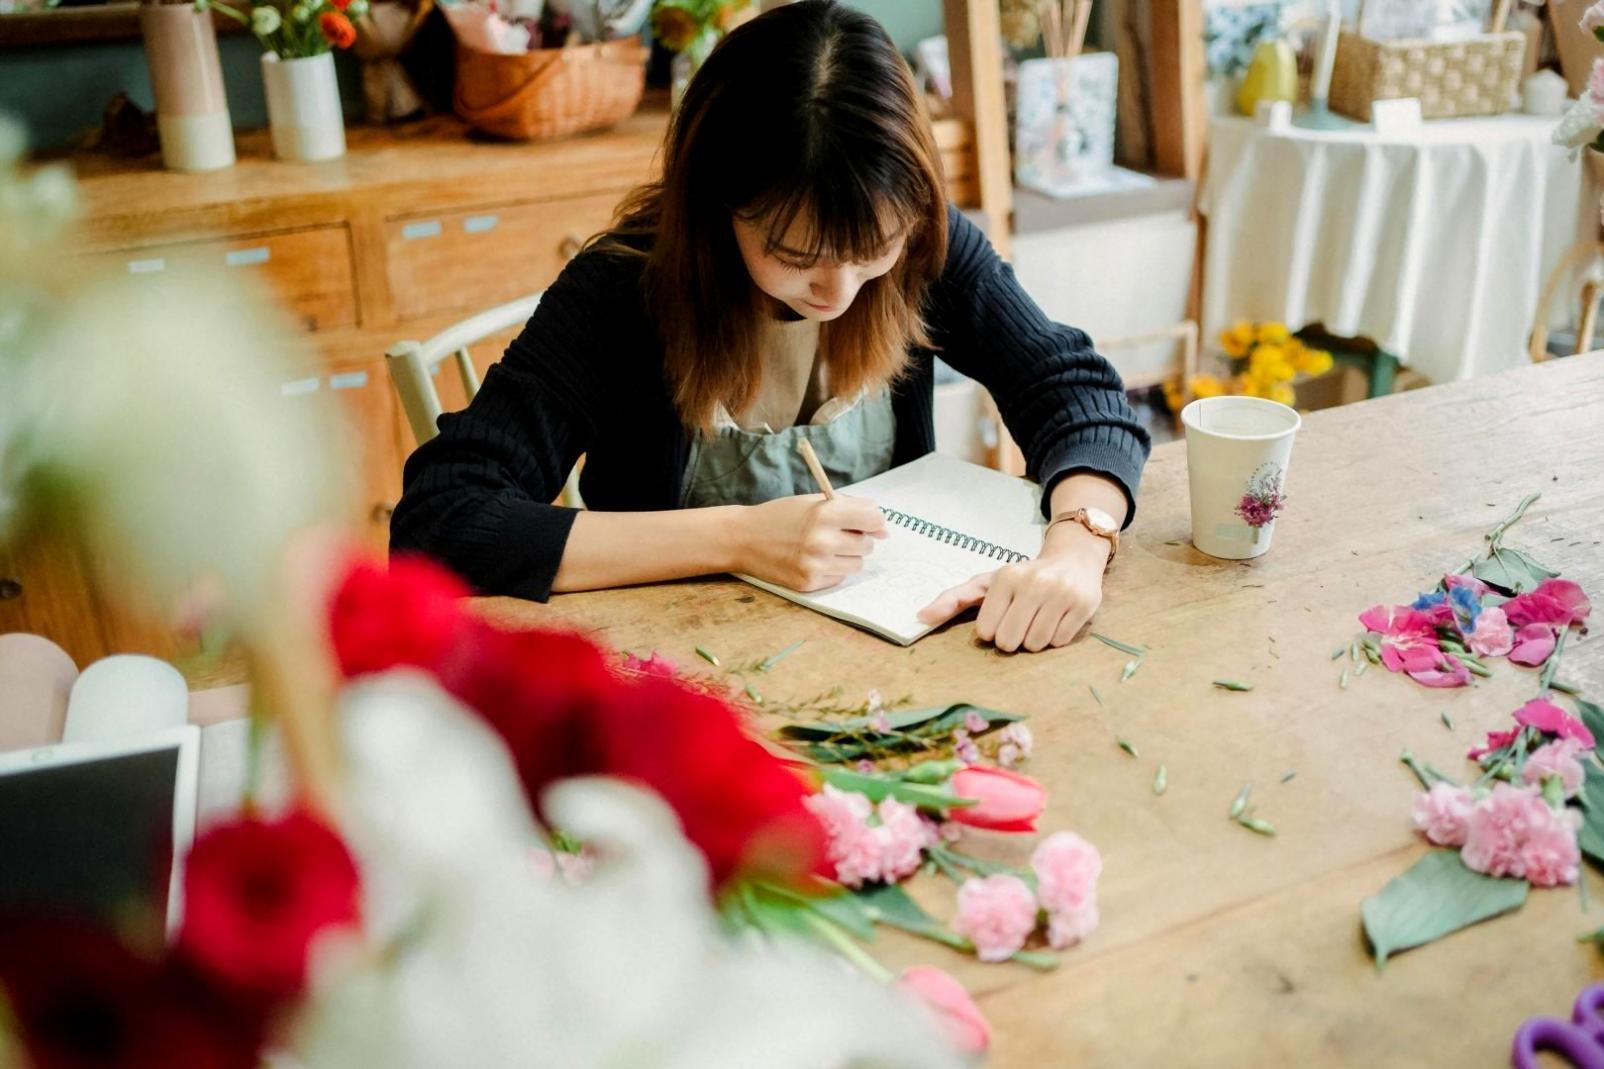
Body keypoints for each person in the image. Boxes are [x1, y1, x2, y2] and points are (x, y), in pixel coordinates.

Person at [390, 0, 1150, 653]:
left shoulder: (927, 249)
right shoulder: (620, 292)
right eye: (797, 256)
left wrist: (1079, 545)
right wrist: (740, 537)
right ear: (718, 207)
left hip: (888, 655)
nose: (841, 290)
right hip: (678, 667)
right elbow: (442, 519)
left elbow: (1071, 389)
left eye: (872, 253)